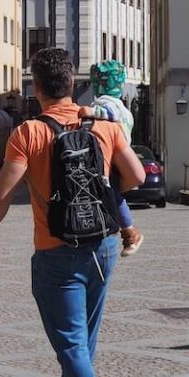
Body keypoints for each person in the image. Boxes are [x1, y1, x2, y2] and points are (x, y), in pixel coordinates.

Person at [0, 47, 145, 377]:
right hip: (103, 246)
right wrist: (105, 195)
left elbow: (1, 196)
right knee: (86, 339)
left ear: (37, 87)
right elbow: (135, 176)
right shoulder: (103, 128)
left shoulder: (28, 133)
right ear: (72, 84)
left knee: (72, 346)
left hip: (55, 251)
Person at [79, 60, 144, 257]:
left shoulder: (109, 105)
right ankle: (126, 231)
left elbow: (107, 114)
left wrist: (89, 112)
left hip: (112, 159)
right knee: (114, 196)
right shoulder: (125, 109)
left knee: (113, 196)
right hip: (117, 158)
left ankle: (130, 233)